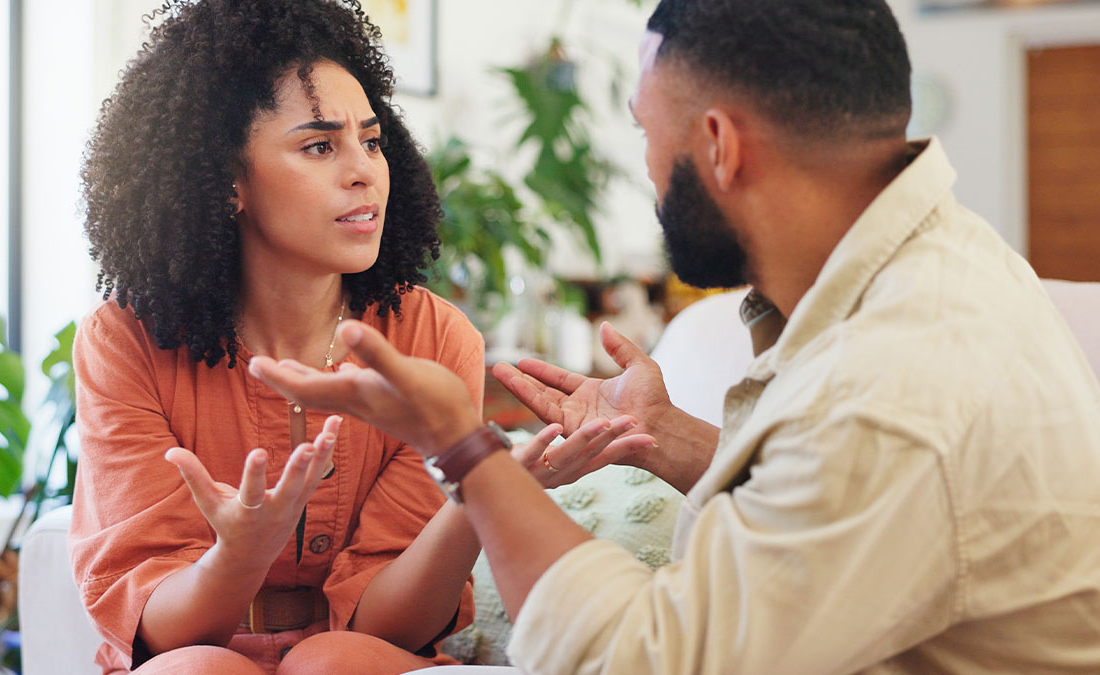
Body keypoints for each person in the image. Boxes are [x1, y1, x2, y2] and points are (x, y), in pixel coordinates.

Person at [249, 0, 1100, 673]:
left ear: (721, 146)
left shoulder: (896, 380)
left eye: (644, 130)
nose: (648, 168)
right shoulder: (939, 272)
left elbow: (644, 657)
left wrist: (468, 449)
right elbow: (831, 504)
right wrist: (667, 438)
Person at [68, 1, 652, 674]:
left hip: (357, 654)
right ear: (227, 182)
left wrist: (479, 491)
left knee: (330, 663)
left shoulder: (432, 336)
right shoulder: (126, 339)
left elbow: (389, 625)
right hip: (194, 652)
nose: (364, 171)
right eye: (320, 146)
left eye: (371, 142)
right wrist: (240, 552)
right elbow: (169, 635)